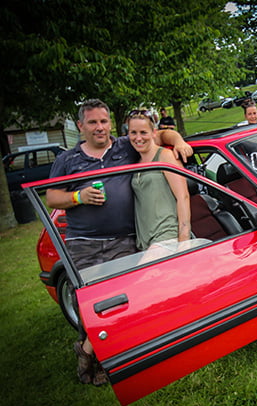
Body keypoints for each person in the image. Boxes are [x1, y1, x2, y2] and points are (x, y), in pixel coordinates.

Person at [46, 99, 192, 386]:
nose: (100, 127)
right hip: (84, 242)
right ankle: (91, 355)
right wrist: (78, 197)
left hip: (125, 241)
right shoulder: (67, 159)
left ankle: (102, 362)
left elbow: (160, 135)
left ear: (111, 124)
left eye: (104, 121)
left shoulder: (125, 145)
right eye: (93, 122)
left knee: (120, 304)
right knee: (89, 304)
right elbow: (52, 198)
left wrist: (180, 139)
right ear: (81, 126)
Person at [128, 110, 191, 251]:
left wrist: (184, 240)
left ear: (153, 133)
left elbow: (183, 196)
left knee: (143, 273)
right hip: (145, 243)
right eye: (133, 132)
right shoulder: (135, 162)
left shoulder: (165, 156)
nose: (138, 138)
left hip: (168, 237)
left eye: (143, 132)